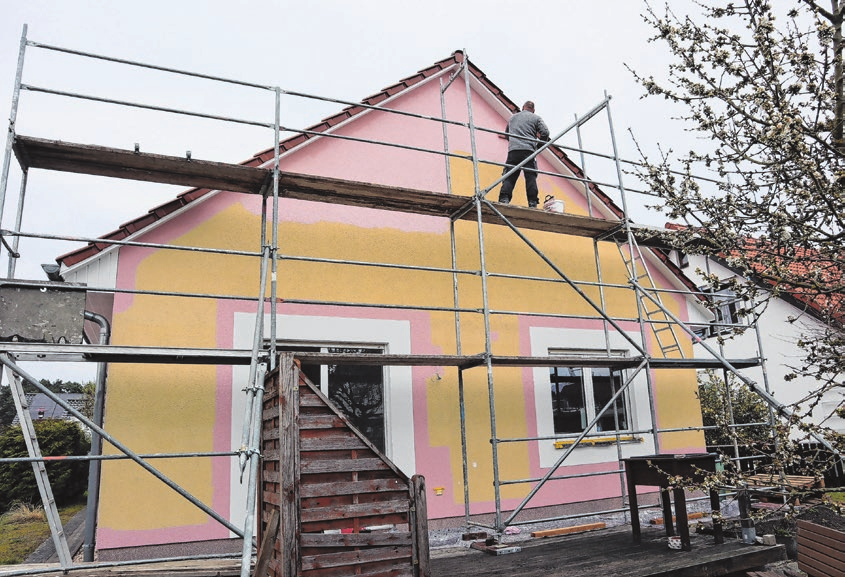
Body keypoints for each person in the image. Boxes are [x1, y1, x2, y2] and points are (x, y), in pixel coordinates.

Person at [498, 101, 550, 207]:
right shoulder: (536, 118)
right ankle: (532, 202)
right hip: (528, 151)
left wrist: (514, 143)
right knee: (530, 177)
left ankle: (504, 198)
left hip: (513, 151)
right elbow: (545, 132)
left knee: (510, 176)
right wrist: (538, 147)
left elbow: (507, 134)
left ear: (523, 107)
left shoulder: (513, 118)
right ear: (533, 110)